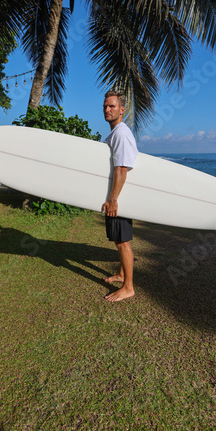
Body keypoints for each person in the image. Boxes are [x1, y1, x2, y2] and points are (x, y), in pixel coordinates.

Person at [102, 90, 138, 302]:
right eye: (105, 106)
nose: (107, 110)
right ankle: (123, 274)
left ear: (122, 109)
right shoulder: (115, 133)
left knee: (123, 241)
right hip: (116, 194)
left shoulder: (121, 133)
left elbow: (122, 168)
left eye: (112, 106)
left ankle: (128, 287)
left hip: (120, 196)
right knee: (118, 240)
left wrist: (113, 199)